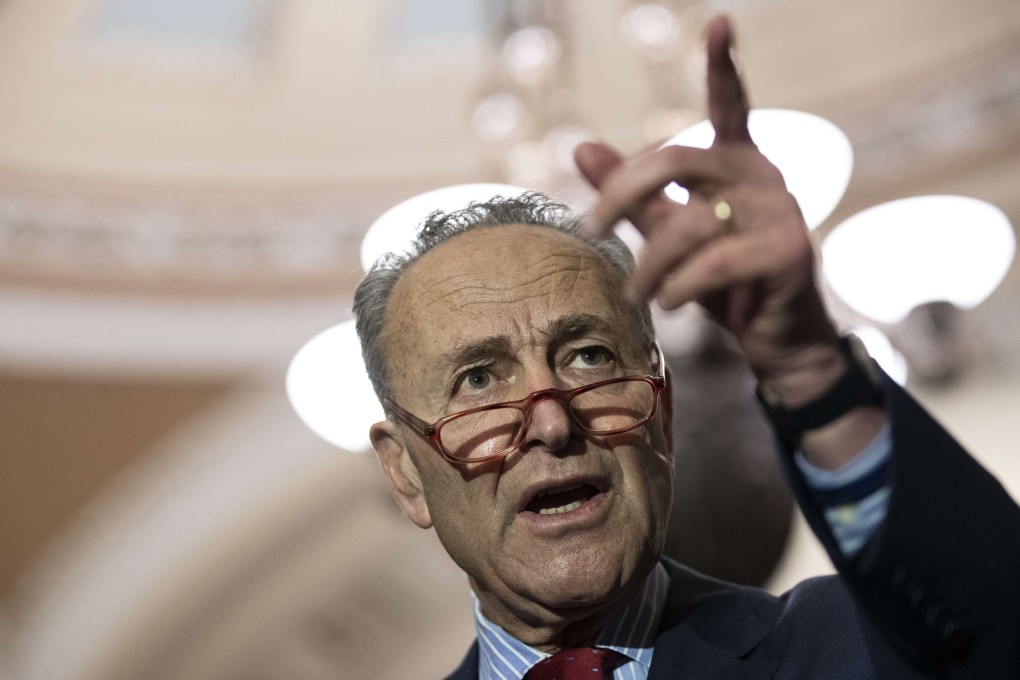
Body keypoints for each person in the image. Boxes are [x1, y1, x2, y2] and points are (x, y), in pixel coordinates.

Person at [352, 15, 1019, 680]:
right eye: (477, 380)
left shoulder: (850, 647)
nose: (553, 423)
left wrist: (811, 371)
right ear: (405, 473)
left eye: (589, 357)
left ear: (665, 415)